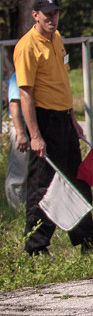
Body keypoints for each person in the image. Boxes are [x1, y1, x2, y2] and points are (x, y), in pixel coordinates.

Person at [14, 0, 93, 255]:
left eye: (55, 13)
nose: (52, 18)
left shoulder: (58, 38)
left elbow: (62, 84)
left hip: (63, 119)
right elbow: (25, 94)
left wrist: (72, 119)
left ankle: (88, 242)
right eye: (47, 13)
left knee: (78, 181)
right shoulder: (27, 46)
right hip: (44, 121)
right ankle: (36, 247)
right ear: (35, 15)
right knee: (43, 186)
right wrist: (35, 135)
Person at [5, 52, 29, 209]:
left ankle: (28, 203)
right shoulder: (17, 77)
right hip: (21, 126)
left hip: (32, 126)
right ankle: (16, 207)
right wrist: (20, 133)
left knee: (31, 168)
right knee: (19, 169)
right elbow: (14, 104)